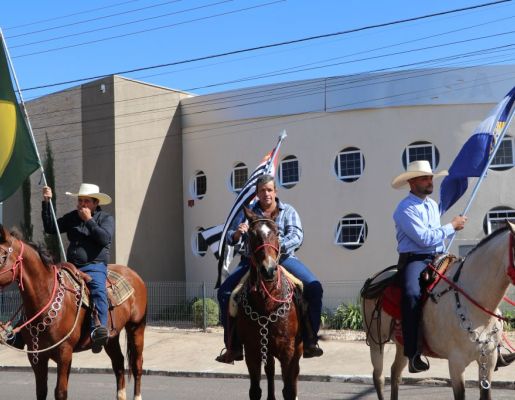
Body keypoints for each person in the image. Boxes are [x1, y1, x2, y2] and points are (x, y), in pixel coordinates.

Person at [215, 174, 323, 364]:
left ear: (275, 192)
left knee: (314, 288)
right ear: (256, 193)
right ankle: (233, 347)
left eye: (269, 190)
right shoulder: (247, 214)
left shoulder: (288, 211)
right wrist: (238, 234)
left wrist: (273, 249)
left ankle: (310, 340)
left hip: (284, 259)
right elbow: (231, 236)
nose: (266, 194)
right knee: (224, 292)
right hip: (251, 261)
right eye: (262, 190)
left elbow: (297, 235)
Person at [391, 160, 467, 373]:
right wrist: (451, 226)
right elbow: (424, 238)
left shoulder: (433, 205)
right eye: (425, 178)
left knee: (468, 281)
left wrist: (448, 231)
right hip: (415, 259)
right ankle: (413, 353)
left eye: (431, 177)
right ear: (412, 182)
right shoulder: (404, 209)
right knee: (412, 294)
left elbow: (435, 237)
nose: (430, 181)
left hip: (438, 256)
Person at [42, 183, 114, 354]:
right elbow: (51, 228)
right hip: (71, 266)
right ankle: (19, 333)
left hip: (94, 266)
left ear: (95, 203)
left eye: (86, 201)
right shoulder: (72, 217)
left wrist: (88, 220)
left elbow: (104, 239)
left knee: (97, 290)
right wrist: (46, 203)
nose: (81, 204)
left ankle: (99, 330)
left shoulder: (105, 218)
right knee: (46, 285)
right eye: (80, 200)